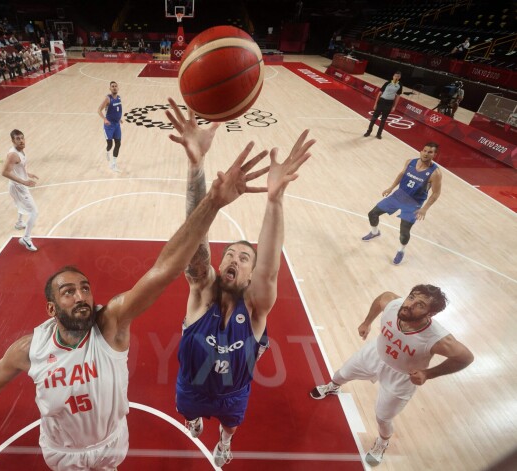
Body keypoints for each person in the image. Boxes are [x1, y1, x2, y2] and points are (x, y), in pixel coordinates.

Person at [0, 133, 271, 471]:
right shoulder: (28, 350)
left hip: (110, 443)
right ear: (51, 308)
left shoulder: (111, 324)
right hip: (62, 452)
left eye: (85, 288)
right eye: (68, 291)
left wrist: (211, 199)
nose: (81, 296)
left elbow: (166, 267)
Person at [165, 98, 316, 467]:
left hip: (234, 392)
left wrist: (275, 200)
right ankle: (196, 419)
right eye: (230, 254)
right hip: (192, 388)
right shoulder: (202, 291)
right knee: (187, 413)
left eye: (243, 257)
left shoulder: (256, 306)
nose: (233, 258)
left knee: (232, 425)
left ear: (250, 275)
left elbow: (270, 270)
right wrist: (196, 166)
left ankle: (225, 442)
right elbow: (193, 241)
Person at [310, 285, 473, 466]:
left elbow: (465, 357)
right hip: (375, 354)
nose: (410, 305)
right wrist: (367, 322)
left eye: (420, 305)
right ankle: (333, 387)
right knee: (341, 374)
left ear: (430, 314)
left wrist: (428, 374)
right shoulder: (394, 305)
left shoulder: (437, 339)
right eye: (411, 297)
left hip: (402, 377)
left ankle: (382, 442)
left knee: (383, 417)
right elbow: (382, 297)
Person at [361, 142, 442, 265]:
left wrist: (425, 209)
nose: (426, 154)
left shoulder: (435, 173)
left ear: (434, 155)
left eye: (430, 152)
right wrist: (391, 187)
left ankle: (401, 251)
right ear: (421, 151)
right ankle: (374, 232)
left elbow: (435, 193)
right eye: (425, 151)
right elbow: (401, 174)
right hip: (398, 196)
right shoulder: (410, 162)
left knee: (404, 231)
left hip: (413, 204)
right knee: (372, 213)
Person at [1, 129, 39, 252]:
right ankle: (26, 239)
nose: (21, 140)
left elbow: (17, 168)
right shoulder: (13, 155)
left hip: (17, 185)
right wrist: (24, 181)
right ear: (13, 141)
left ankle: (19, 223)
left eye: (22, 138)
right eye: (18, 139)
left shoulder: (20, 151)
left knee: (21, 204)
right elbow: (4, 172)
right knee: (34, 212)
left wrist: (27, 174)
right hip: (18, 186)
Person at [364, 71, 403, 139]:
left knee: (383, 120)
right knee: (373, 119)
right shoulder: (387, 83)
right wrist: (376, 104)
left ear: (400, 77)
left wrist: (394, 106)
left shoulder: (400, 85)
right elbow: (379, 93)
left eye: (398, 76)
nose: (396, 77)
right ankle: (368, 132)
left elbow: (397, 97)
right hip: (381, 101)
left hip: (389, 103)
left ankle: (379, 134)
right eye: (395, 76)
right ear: (393, 76)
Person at [98, 81, 123, 172]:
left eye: (116, 86)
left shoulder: (119, 98)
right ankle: (107, 151)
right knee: (110, 144)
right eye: (112, 86)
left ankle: (113, 164)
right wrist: (104, 119)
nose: (114, 87)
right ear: (110, 88)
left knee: (118, 143)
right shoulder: (108, 99)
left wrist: (119, 119)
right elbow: (99, 110)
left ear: (118, 88)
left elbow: (118, 110)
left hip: (117, 125)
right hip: (109, 125)